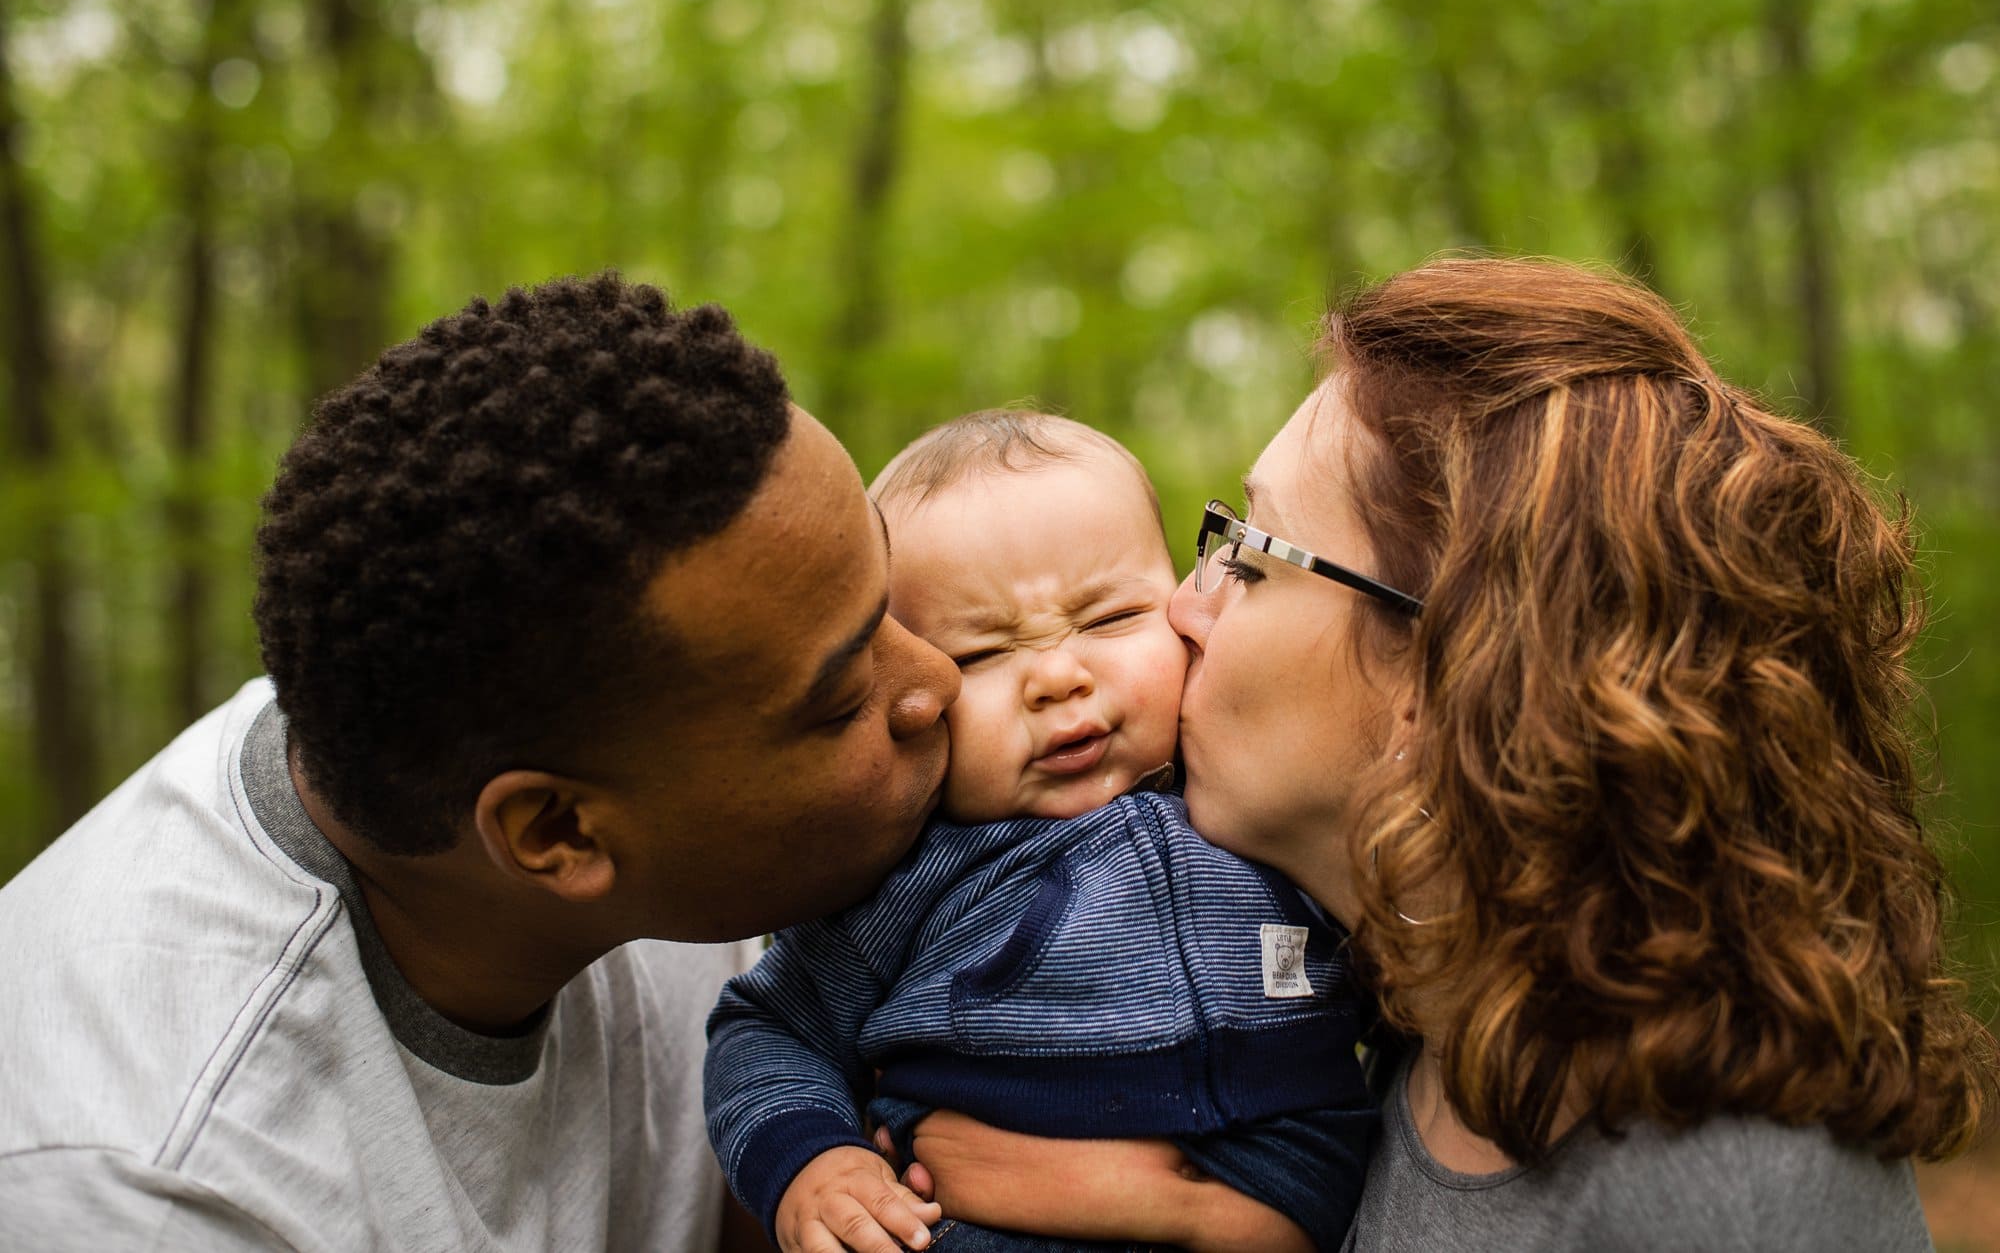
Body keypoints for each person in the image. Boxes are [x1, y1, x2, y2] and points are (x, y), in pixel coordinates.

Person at [884, 258, 1997, 1250]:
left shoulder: (1720, 1180)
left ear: (1444, 673)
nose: (1181, 611)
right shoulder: (1401, 1015)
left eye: (1252, 559)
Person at [0, 273, 964, 1251]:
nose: (939, 681)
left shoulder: (547, 728)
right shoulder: (159, 1190)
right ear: (558, 832)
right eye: (844, 699)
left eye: (890, 604)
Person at [704, 411, 1378, 1253]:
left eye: (1105, 619)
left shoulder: (1259, 806)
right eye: (983, 653)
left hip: (1279, 1194)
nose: (1059, 676)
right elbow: (769, 1029)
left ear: (1182, 602)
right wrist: (816, 1162)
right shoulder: (915, 871)